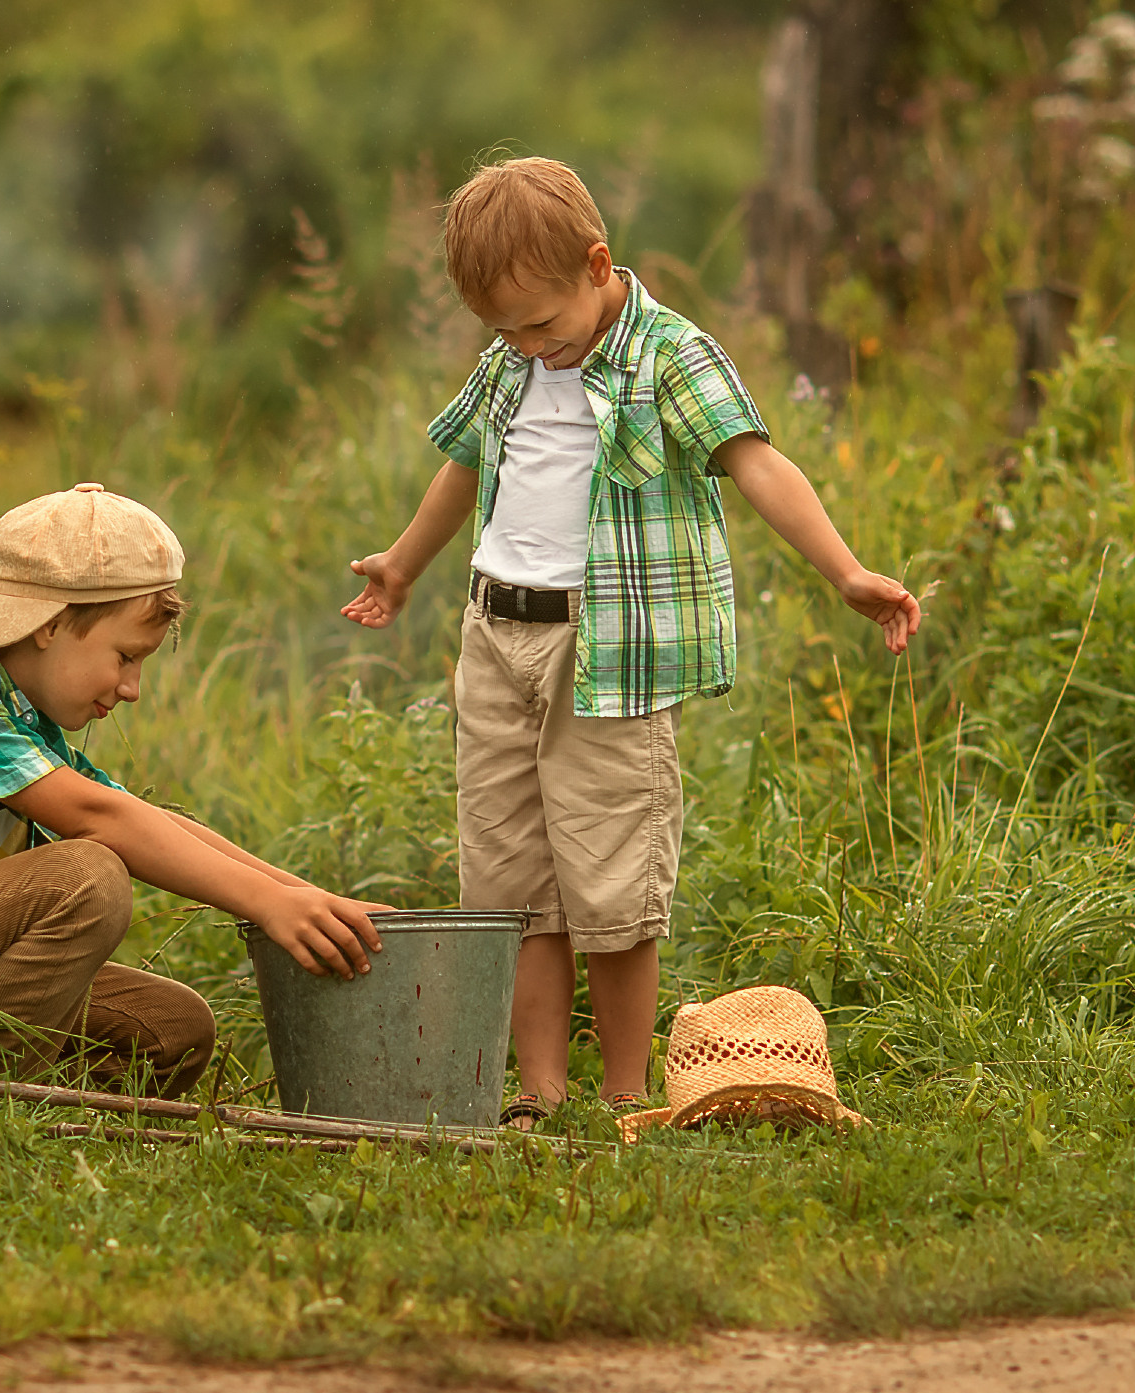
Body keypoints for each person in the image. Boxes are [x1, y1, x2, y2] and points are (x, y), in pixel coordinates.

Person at [342, 158, 920, 1129]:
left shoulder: (670, 355)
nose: (527, 345)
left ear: (596, 266)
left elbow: (757, 463)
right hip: (496, 637)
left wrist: (846, 571)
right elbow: (463, 465)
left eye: (540, 324)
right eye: (504, 331)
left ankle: (621, 1091)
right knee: (508, 877)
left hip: (605, 653)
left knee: (611, 875)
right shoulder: (512, 361)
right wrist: (402, 565)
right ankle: (538, 1092)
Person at [0, 481, 384, 1095]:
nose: (132, 689)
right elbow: (102, 818)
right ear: (50, 625)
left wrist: (311, 899)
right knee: (84, 874)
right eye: (125, 656)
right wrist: (265, 904)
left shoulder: (24, 721)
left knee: (172, 1027)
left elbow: (144, 818)